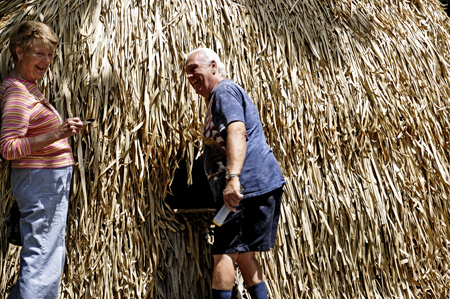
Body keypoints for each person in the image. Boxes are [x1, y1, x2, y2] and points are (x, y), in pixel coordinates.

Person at [185, 48, 286, 299]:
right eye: (186, 72)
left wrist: (232, 179)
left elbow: (237, 131)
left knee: (225, 252)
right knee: (244, 252)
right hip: (250, 186)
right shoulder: (217, 97)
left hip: (244, 187)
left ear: (213, 67)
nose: (189, 76)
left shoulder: (223, 91)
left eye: (194, 69)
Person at [0, 21, 83, 298]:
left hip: (44, 183)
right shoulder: (17, 93)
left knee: (44, 255)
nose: (46, 61)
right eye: (39, 53)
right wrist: (58, 133)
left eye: (49, 55)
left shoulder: (27, 86)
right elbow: (9, 147)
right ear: (19, 52)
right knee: (42, 260)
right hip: (41, 183)